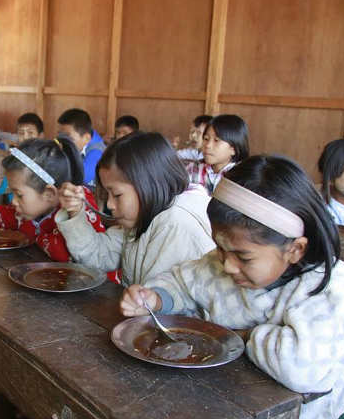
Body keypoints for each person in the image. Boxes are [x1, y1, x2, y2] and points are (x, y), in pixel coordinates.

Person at [120, 155, 344, 419]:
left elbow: (302, 368)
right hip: (229, 417)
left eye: (243, 257)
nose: (228, 265)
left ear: (295, 250)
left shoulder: (327, 285)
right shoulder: (221, 264)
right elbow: (181, 282)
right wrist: (155, 298)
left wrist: (234, 337)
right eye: (220, 249)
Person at [57, 132, 216, 286]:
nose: (110, 205)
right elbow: (99, 255)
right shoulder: (144, 215)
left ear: (148, 185)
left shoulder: (176, 225)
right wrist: (75, 212)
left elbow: (154, 298)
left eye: (117, 195)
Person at [0, 137, 108, 263]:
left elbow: (62, 254)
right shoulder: (35, 209)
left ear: (49, 193)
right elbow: (11, 216)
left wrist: (34, 235)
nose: (13, 201)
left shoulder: (77, 207)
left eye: (19, 195)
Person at [195, 114, 249, 194]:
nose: (208, 145)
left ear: (234, 149)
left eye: (216, 140)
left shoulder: (242, 177)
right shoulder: (193, 169)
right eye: (206, 139)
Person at [57, 108, 105, 186]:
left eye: (67, 137)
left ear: (86, 138)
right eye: (60, 135)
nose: (62, 141)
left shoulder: (97, 151)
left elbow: (81, 178)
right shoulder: (83, 137)